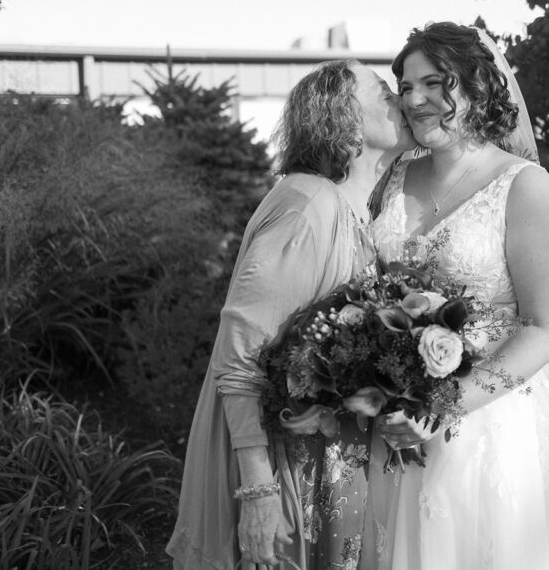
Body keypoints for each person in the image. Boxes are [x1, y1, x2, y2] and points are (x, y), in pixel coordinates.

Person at [368, 22, 549, 569]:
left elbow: (548, 328)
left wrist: (440, 409)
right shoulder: (392, 177)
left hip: (494, 427)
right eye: (405, 86)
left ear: (478, 86)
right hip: (393, 423)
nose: (414, 99)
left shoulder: (526, 187)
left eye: (434, 83)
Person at [167, 59, 413, 570]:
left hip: (322, 448)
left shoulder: (349, 207)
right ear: (344, 118)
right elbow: (240, 353)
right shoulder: (308, 204)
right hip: (277, 456)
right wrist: (257, 491)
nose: (399, 97)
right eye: (382, 90)